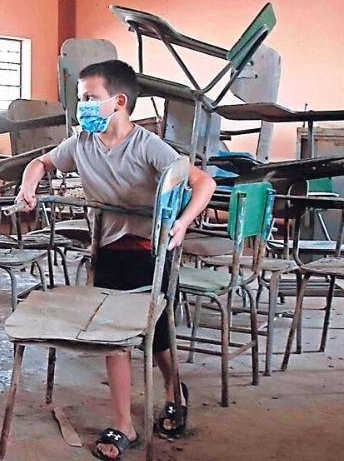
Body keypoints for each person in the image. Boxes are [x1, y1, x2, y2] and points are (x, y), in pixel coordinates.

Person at [15, 59, 216, 461]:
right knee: (113, 337)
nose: (82, 106)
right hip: (107, 247)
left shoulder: (147, 145)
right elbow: (42, 162)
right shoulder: (81, 144)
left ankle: (174, 390)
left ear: (118, 102)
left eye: (90, 98)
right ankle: (124, 422)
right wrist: (27, 189)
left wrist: (182, 223)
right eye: (79, 98)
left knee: (156, 337)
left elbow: (203, 181)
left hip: (151, 250)